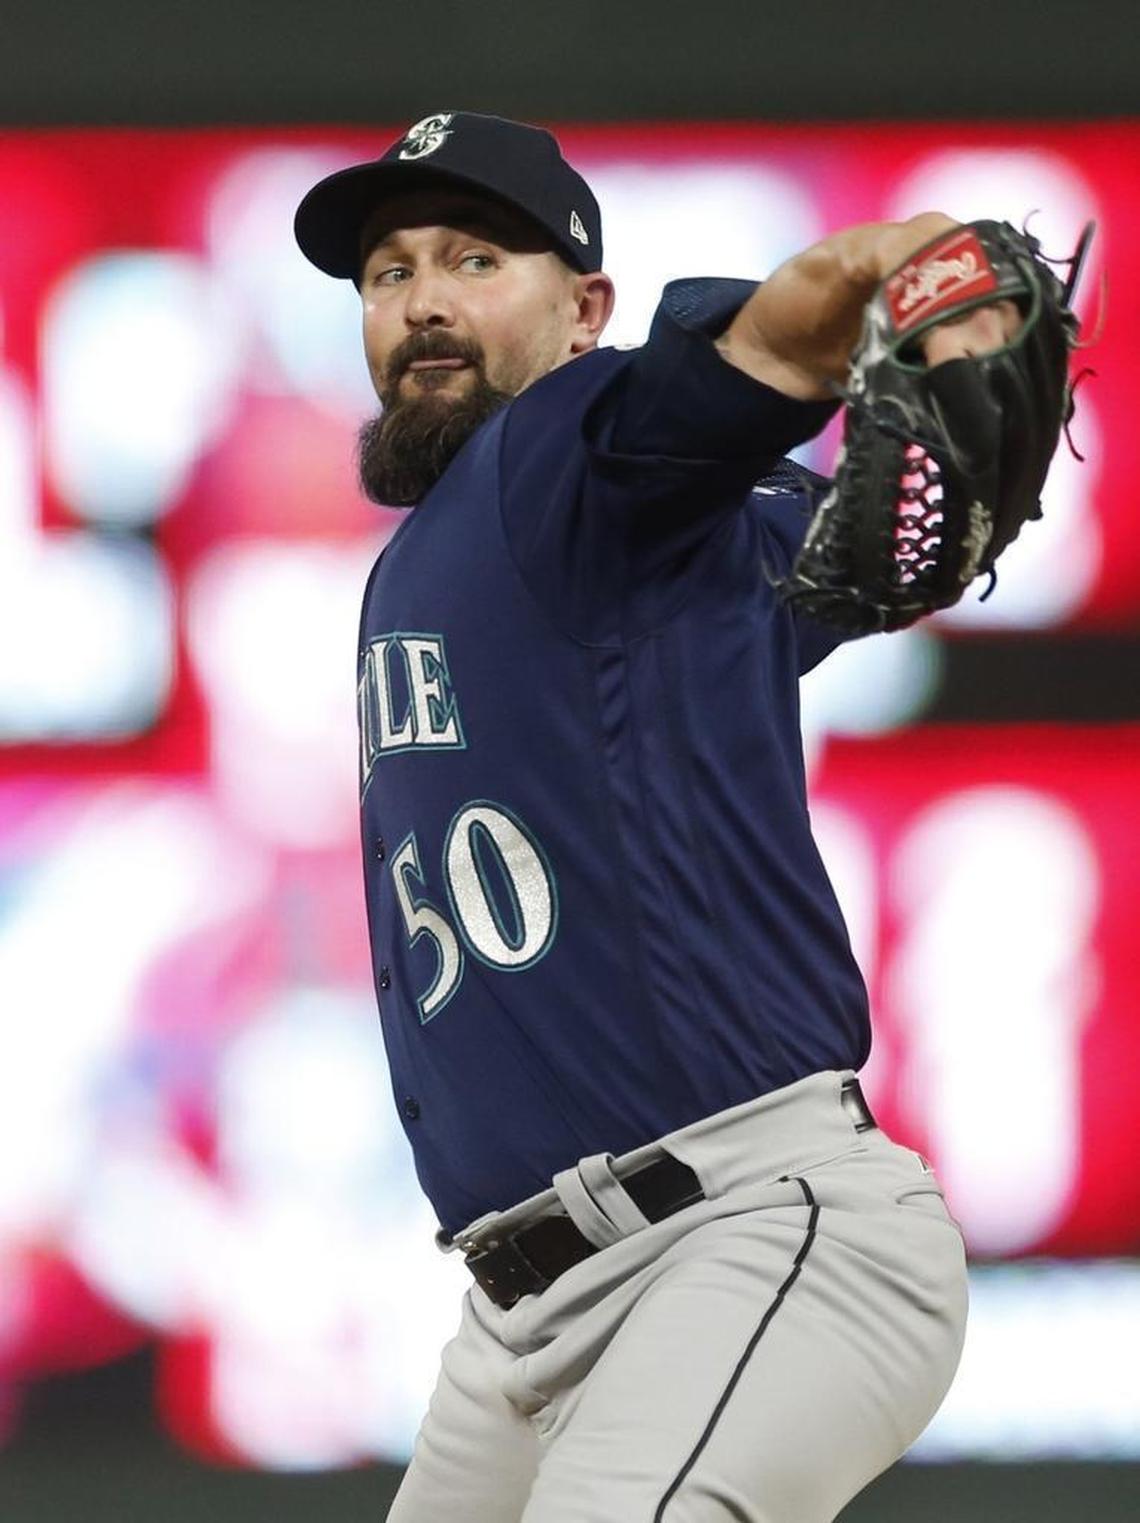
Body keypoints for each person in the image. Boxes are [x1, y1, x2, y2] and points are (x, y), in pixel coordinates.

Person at [294, 111, 1014, 1523]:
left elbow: (781, 342)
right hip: (520, 1321)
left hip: (749, 1238)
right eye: (387, 272)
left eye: (474, 256)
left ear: (586, 314)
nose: (423, 298)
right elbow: (849, 547)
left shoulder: (571, 441)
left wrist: (909, 257)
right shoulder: (503, 547)